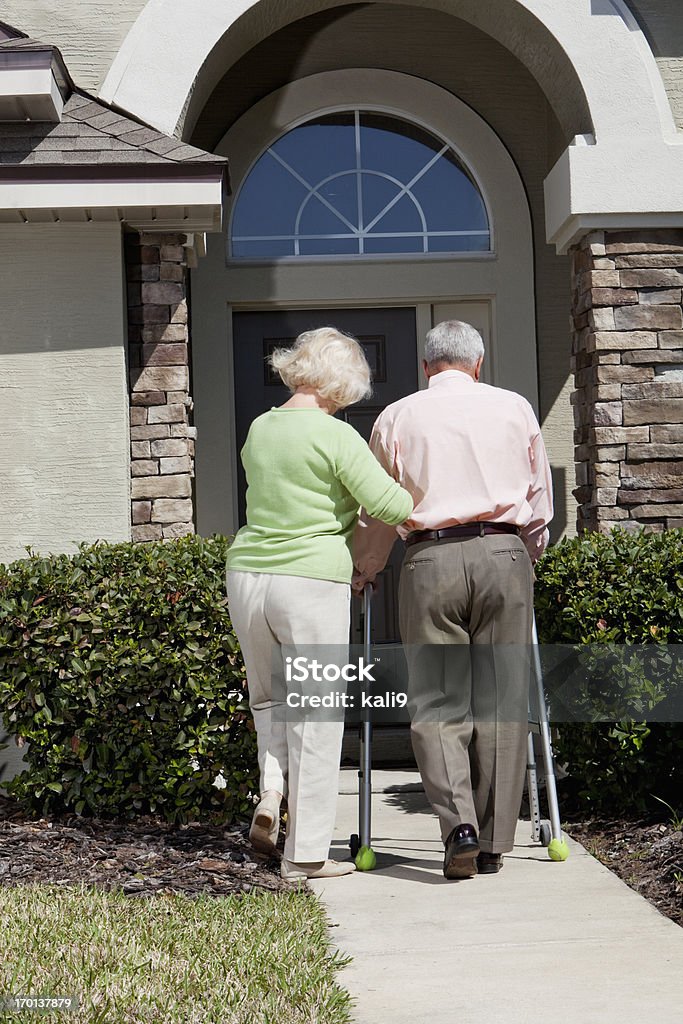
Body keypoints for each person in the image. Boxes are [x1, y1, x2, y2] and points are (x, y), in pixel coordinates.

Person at [353, 319, 553, 879]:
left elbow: (376, 506)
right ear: (479, 364)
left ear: (425, 366)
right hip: (504, 553)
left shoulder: (397, 415)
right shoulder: (515, 408)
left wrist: (366, 568)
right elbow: (539, 501)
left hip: (430, 557)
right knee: (501, 699)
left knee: (439, 700)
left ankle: (458, 828)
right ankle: (492, 841)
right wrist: (524, 556)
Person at [225, 326, 413, 881]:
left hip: (248, 575)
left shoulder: (261, 428)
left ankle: (271, 790)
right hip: (309, 581)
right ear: (344, 383)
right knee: (317, 712)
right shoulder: (336, 435)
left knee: (269, 702)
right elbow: (390, 502)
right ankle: (305, 854)